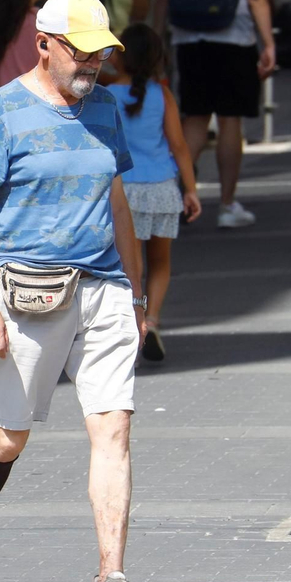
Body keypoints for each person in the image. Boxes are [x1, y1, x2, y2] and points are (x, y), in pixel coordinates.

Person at [0, 0, 154, 582]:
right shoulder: (1, 112)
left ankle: (110, 579)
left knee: (113, 427)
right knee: (9, 437)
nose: (92, 66)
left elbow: (118, 203)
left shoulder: (107, 108)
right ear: (43, 45)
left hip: (106, 289)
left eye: (100, 55)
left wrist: (137, 297)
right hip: (28, 292)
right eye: (81, 54)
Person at [153, 0, 275, 229]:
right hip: (233, 33)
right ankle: (226, 204)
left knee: (193, 116)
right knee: (230, 118)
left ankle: (177, 198)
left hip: (189, 32)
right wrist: (267, 42)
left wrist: (158, 33)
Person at [99, 24, 201, 362]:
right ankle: (153, 320)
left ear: (120, 58)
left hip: (124, 191)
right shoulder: (162, 94)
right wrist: (191, 190)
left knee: (131, 265)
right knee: (161, 263)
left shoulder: (107, 95)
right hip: (162, 189)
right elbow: (180, 147)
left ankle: (131, 322)